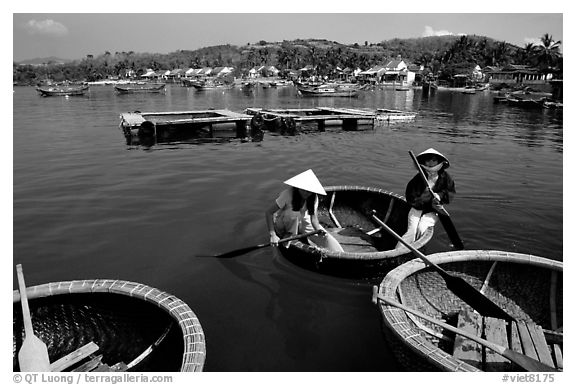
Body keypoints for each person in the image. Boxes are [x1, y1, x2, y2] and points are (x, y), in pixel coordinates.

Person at [265, 169, 344, 252]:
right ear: (298, 187)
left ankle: (339, 253)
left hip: (303, 222)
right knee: (294, 214)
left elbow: (313, 219)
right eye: (304, 190)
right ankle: (290, 234)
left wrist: (318, 230)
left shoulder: (313, 197)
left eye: (309, 191)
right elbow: (269, 212)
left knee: (327, 238)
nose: (307, 193)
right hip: (286, 222)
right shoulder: (287, 195)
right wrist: (273, 235)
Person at [397, 148, 456, 249]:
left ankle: (416, 248)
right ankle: (398, 251)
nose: (430, 163)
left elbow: (450, 192)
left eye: (433, 160)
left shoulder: (445, 177)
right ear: (424, 162)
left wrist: (439, 196)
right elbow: (410, 196)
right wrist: (423, 199)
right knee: (411, 231)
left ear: (438, 161)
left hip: (433, 210)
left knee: (421, 229)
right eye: (428, 160)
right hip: (417, 208)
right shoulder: (419, 177)